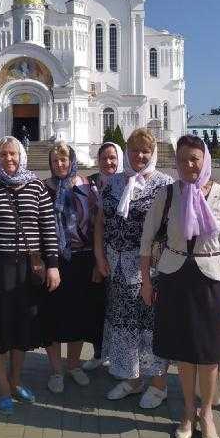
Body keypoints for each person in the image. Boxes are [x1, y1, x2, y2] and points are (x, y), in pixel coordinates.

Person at [141, 135, 220, 438]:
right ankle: (187, 410)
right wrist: (146, 280)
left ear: (205, 159)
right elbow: (146, 241)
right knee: (185, 352)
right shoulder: (167, 194)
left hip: (212, 278)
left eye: (194, 159)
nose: (188, 165)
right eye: (183, 159)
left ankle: (207, 413)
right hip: (174, 276)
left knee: (209, 353)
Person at [0, 136, 60, 415]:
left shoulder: (37, 187)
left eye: (13, 154)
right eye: (4, 154)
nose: (9, 159)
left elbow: (48, 228)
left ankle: (17, 379)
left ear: (22, 156)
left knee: (22, 326)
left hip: (27, 271)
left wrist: (53, 265)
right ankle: (3, 386)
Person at [95, 128, 173, 409]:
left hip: (148, 271)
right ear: (126, 152)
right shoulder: (115, 182)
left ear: (153, 155)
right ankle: (132, 377)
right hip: (117, 266)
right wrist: (100, 256)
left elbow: (168, 232)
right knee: (125, 324)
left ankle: (158, 385)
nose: (139, 155)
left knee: (150, 325)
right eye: (135, 150)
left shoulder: (164, 184)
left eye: (145, 151)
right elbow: (101, 222)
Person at [42, 142, 99, 393]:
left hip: (82, 258)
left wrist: (99, 261)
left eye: (64, 160)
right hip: (54, 261)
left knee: (78, 315)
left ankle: (74, 365)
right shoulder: (44, 187)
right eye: (55, 161)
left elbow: (98, 223)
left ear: (72, 160)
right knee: (53, 315)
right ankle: (56, 370)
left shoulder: (88, 185)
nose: (60, 165)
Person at [83, 141, 124, 372]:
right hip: (94, 252)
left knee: (118, 306)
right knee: (98, 305)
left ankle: (118, 355)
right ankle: (99, 351)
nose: (108, 162)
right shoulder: (90, 183)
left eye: (113, 158)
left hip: (121, 254)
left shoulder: (129, 182)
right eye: (104, 158)